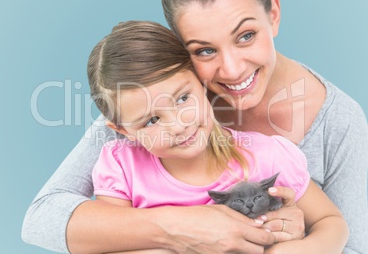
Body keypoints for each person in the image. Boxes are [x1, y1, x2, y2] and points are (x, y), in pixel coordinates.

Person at [22, 0, 368, 253]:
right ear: (182, 53)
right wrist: (182, 228)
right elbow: (43, 219)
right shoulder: (149, 100)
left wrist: (298, 237)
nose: (231, 70)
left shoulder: (330, 126)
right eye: (204, 50)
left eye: (246, 35)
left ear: (273, 15)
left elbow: (345, 238)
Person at [89, 20, 348, 254]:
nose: (179, 125)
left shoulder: (264, 156)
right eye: (152, 120)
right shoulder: (123, 166)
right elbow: (109, 244)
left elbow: (331, 223)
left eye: (182, 98)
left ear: (201, 82)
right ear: (122, 129)